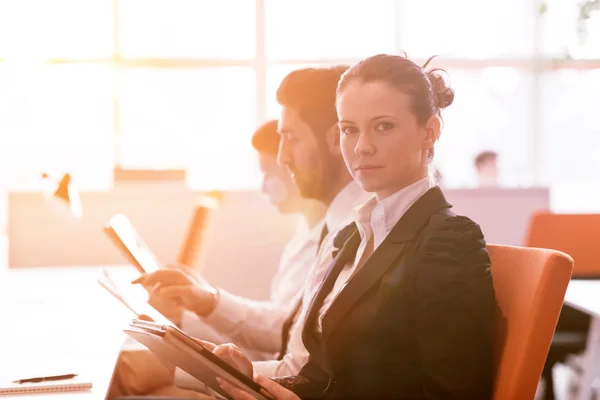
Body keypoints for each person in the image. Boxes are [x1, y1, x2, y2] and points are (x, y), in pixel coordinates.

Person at [217, 54, 497, 399]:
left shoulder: (449, 240)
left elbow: (457, 394)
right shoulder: (353, 236)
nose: (362, 147)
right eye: (350, 129)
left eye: (383, 126)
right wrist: (247, 379)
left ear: (430, 131)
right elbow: (321, 374)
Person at [127, 66, 370, 394]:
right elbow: (289, 331)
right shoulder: (335, 228)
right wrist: (205, 304)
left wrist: (181, 366)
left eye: (291, 138)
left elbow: (299, 366)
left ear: (333, 139)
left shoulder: (359, 231)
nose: (283, 158)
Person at [109, 119, 327, 399]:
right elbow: (279, 325)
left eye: (269, 173)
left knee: (124, 371)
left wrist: (194, 320)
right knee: (125, 365)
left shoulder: (332, 241)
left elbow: (278, 338)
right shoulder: (304, 233)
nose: (263, 188)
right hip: (247, 366)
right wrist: (198, 306)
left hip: (254, 375)